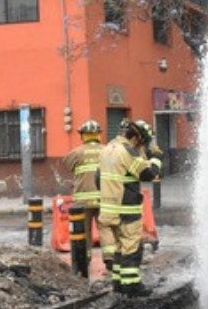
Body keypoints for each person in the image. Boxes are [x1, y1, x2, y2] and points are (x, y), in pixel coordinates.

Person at [98, 120, 162, 297]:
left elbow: (98, 178)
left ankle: (118, 283)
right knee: (132, 247)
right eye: (142, 142)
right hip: (127, 208)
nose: (141, 146)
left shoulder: (108, 148)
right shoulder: (128, 151)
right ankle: (131, 285)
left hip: (109, 209)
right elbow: (148, 174)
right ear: (136, 137)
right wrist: (156, 157)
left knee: (119, 247)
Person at [63, 120, 104, 264]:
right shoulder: (107, 151)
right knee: (106, 231)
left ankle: (85, 260)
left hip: (83, 202)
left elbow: (68, 166)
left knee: (84, 233)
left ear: (83, 136)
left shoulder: (75, 153)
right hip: (104, 200)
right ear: (98, 134)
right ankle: (109, 259)